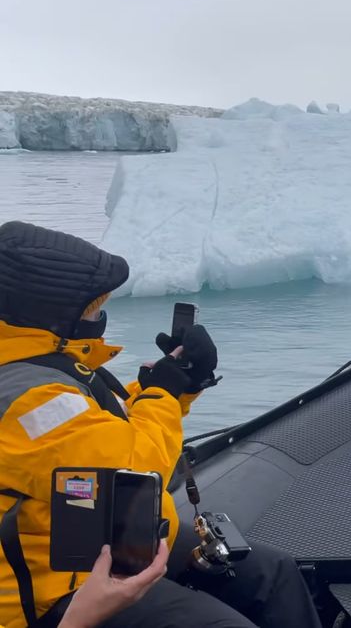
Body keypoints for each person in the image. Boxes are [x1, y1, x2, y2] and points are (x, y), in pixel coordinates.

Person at [0, 221, 320, 628]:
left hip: (87, 533)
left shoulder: (34, 363)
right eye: (93, 308)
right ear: (52, 314)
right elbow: (132, 470)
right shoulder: (23, 398)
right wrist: (164, 394)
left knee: (271, 575)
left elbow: (95, 428)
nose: (100, 317)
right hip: (52, 592)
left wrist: (179, 384)